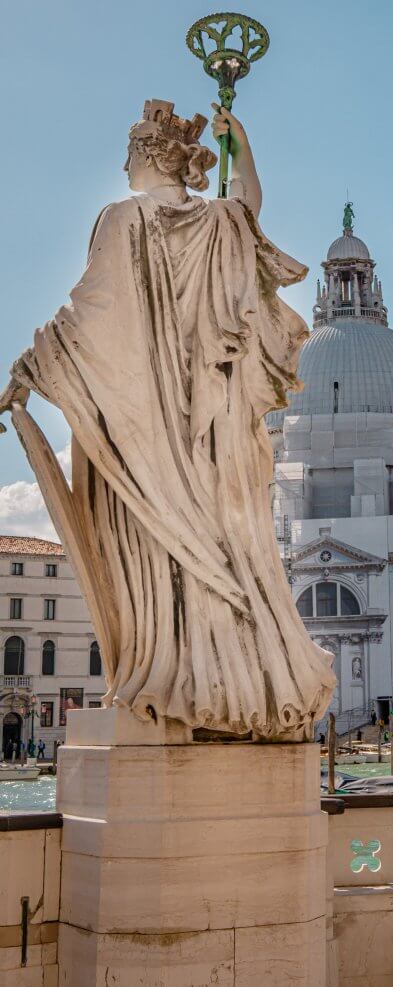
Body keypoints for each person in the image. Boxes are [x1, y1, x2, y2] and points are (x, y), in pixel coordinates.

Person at [0, 99, 335, 739]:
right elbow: (245, 206)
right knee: (227, 548)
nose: (123, 161)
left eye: (130, 149)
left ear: (150, 155)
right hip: (212, 436)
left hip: (150, 435)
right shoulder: (216, 223)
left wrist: (27, 367)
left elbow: (89, 314)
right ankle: (232, 682)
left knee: (155, 553)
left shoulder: (123, 219)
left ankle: (174, 680)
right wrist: (242, 144)